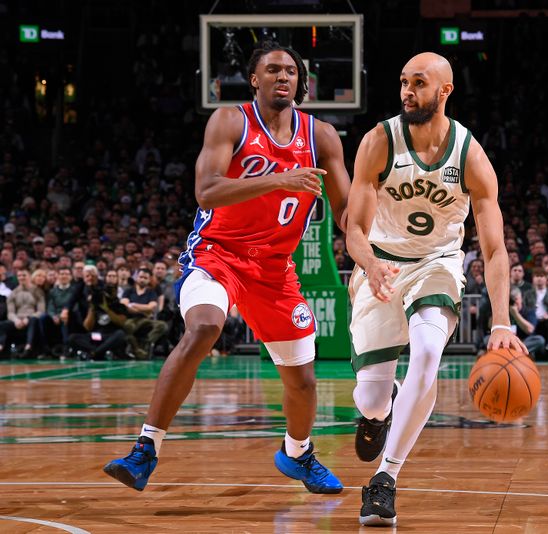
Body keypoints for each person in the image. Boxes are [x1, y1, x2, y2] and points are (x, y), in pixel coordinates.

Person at [103, 42, 350, 495]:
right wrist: (278, 178)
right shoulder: (231, 120)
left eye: (291, 71)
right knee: (203, 329)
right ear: (254, 79)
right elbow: (207, 190)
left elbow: (348, 213)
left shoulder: (321, 136)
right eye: (273, 69)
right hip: (219, 253)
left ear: (301, 81)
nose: (283, 77)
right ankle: (145, 449)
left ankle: (297, 453)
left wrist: (378, 244)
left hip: (275, 268)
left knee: (304, 381)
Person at [346, 52, 526, 526]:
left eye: (419, 83)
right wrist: (368, 265)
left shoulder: (469, 154)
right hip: (379, 263)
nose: (407, 91)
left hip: (436, 263)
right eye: (403, 82)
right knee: (369, 399)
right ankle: (383, 407)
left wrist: (501, 322)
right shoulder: (379, 141)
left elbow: (493, 251)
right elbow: (354, 231)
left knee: (427, 351)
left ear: (445, 91)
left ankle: (385, 480)